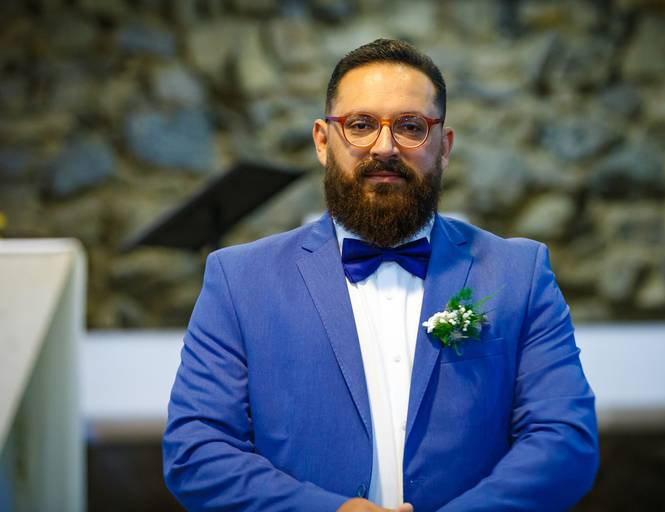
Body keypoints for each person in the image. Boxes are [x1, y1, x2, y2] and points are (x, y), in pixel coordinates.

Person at [163, 39, 599, 511]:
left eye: (411, 127)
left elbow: (564, 440)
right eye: (360, 125)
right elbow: (196, 452)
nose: (385, 146)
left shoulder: (519, 273)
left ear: (444, 146)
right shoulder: (239, 280)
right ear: (322, 141)